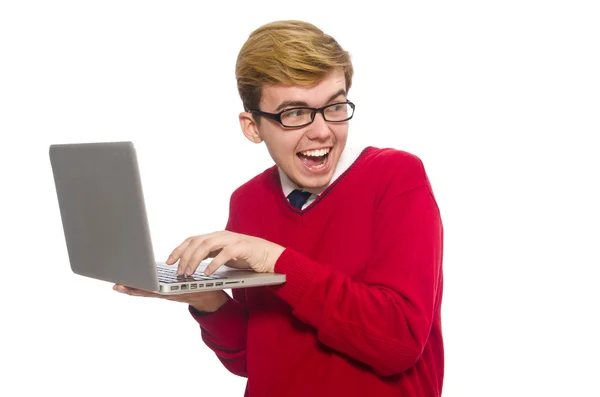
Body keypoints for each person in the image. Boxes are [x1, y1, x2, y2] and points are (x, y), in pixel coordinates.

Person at [114, 20, 444, 397]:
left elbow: (398, 343)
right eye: (295, 113)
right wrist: (207, 300)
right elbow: (252, 360)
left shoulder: (396, 177)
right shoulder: (248, 202)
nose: (321, 131)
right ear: (252, 126)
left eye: (334, 106)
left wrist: (275, 260)